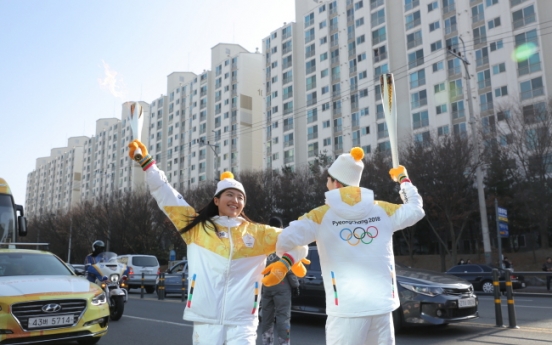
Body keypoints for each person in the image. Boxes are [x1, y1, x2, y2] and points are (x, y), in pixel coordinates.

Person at [128, 139, 308, 345]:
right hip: (206, 318)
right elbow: (165, 194)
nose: (236, 200)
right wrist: (148, 165)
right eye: (229, 195)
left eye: (241, 197)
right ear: (216, 200)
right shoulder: (198, 229)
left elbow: (301, 242)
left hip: (243, 320)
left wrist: (286, 263)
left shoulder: (259, 234)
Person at [263, 147, 425, 345]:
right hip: (382, 307)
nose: (326, 184)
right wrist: (404, 180)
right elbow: (415, 210)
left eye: (328, 180)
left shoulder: (320, 215)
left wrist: (291, 257)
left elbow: (283, 240)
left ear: (336, 182)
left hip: (346, 310)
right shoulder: (382, 210)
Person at [260, 216, 300, 345]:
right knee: (283, 317)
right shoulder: (284, 243)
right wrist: (295, 285)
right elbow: (288, 266)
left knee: (266, 317)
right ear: (281, 227)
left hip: (266, 286)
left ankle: (267, 342)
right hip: (282, 286)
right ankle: (284, 342)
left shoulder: (264, 243)